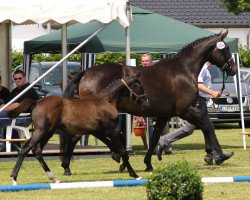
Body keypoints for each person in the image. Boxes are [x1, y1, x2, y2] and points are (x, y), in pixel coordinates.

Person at [156, 62, 234, 165]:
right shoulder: (202, 68)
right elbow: (198, 84)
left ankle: (218, 156)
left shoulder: (204, 67)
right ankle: (163, 141)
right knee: (189, 128)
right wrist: (212, 92)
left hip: (202, 102)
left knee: (209, 128)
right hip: (198, 101)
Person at [0, 69, 39, 151]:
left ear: (25, 78)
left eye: (20, 78)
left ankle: (2, 145)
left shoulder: (29, 90)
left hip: (24, 118)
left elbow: (18, 105)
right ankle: (7, 144)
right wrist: (5, 106)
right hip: (14, 116)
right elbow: (9, 104)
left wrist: (3, 107)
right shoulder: (15, 91)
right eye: (15, 79)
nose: (17, 80)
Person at [0, 76, 12, 151]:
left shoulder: (5, 91)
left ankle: (1, 145)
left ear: (0, 81)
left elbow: (9, 105)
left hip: (6, 114)